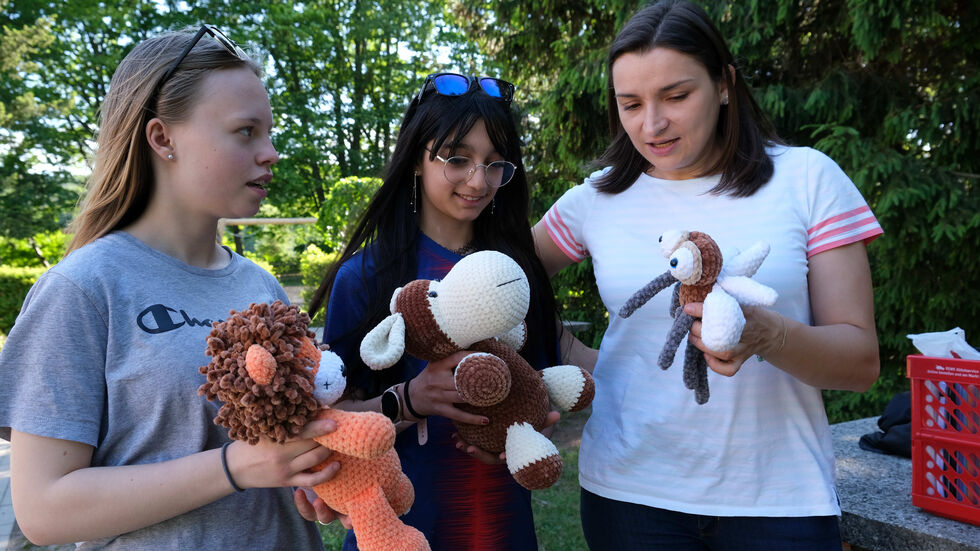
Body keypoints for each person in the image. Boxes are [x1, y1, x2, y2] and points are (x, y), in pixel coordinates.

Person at [531, 1, 882, 549]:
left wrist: (767, 334)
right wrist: (579, 356)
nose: (652, 124)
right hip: (628, 498)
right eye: (630, 104)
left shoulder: (807, 179)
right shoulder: (596, 199)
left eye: (676, 96)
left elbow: (860, 364)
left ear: (724, 85)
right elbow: (503, 281)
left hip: (780, 501)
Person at [0, 25, 345, 549]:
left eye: (269, 133)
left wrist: (319, 475)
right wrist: (234, 467)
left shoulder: (261, 285)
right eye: (246, 131)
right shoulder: (83, 289)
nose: (271, 152)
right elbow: (43, 510)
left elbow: (286, 446)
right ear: (163, 138)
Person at [308, 72, 577, 550]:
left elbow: (537, 386)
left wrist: (524, 428)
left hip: (502, 526)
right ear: (417, 157)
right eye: (457, 158)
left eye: (495, 164)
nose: (479, 180)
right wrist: (409, 399)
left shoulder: (517, 275)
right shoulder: (365, 276)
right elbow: (332, 420)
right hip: (398, 529)